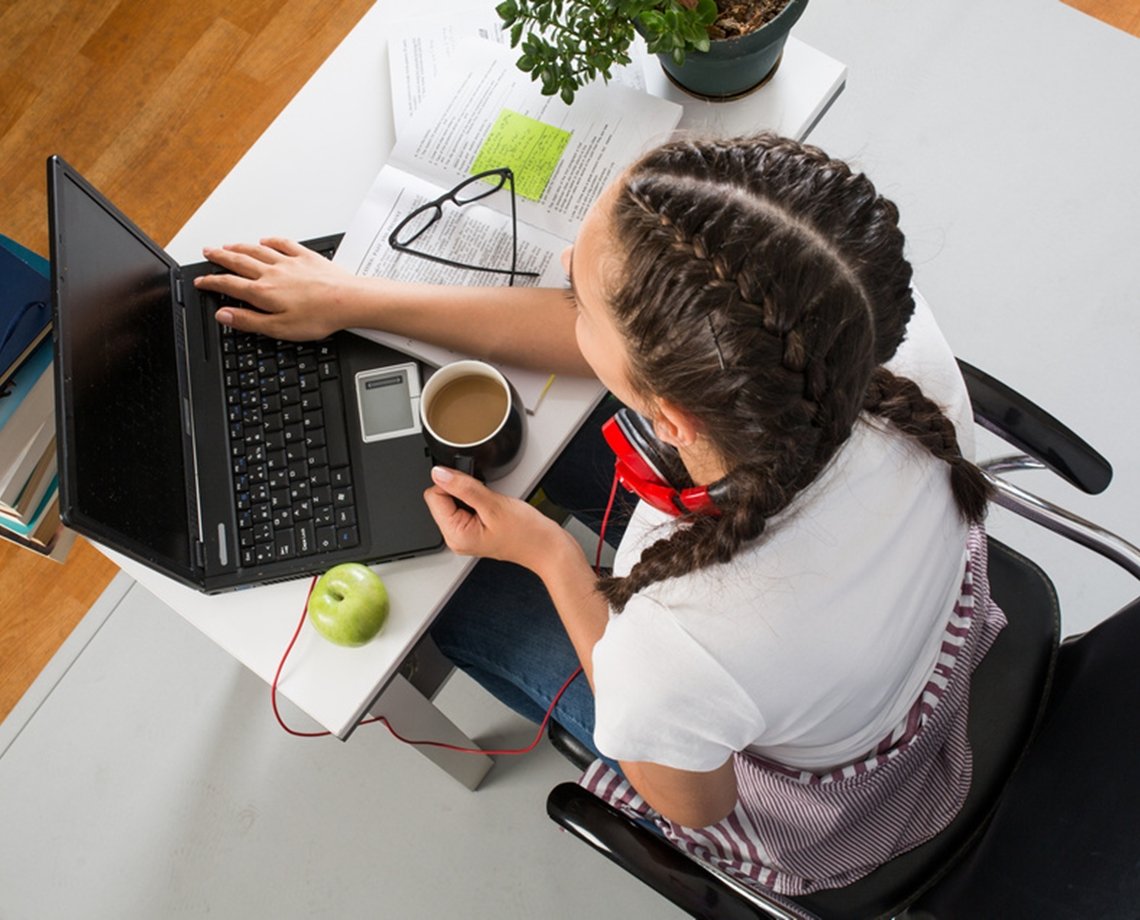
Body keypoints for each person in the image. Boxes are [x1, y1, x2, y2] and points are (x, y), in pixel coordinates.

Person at [194, 133, 1005, 896]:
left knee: (460, 609)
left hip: (836, 805)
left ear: (674, 420)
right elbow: (607, 345)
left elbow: (693, 804)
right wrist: (352, 298)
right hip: (914, 635)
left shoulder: (681, 640)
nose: (559, 267)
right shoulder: (861, 319)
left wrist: (552, 556)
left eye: (579, 295)